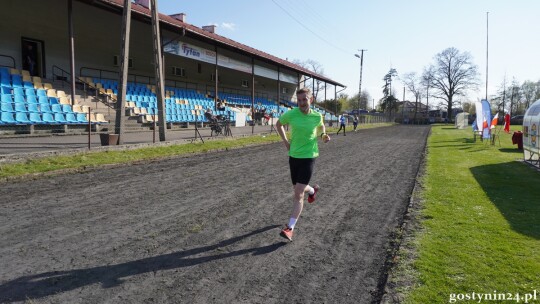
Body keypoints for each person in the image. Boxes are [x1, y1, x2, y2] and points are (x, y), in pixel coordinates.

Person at [276, 87, 331, 241]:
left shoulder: (317, 115)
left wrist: (323, 135)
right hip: (293, 156)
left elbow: (321, 126)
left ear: (310, 99)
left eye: (304, 99)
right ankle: (312, 190)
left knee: (298, 192)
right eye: (299, 100)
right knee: (297, 188)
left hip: (309, 156)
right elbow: (278, 124)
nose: (301, 103)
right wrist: (286, 142)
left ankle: (290, 228)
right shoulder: (291, 114)